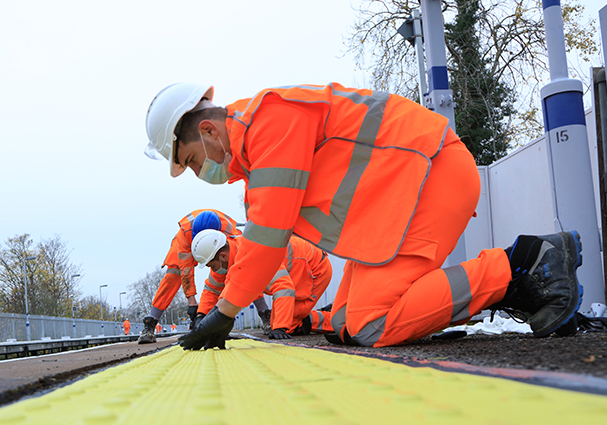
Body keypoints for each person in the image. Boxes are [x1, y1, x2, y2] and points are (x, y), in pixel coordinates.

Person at [144, 82, 583, 350]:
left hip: (429, 176)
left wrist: (223, 313)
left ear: (206, 131)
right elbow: (264, 229)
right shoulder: (257, 146)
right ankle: (518, 282)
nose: (200, 174)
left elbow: (267, 235)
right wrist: (220, 310)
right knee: (343, 324)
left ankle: (523, 266)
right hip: (402, 197)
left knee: (372, 323)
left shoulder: (268, 123)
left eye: (193, 162)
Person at [138, 209, 270, 344]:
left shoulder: (228, 231)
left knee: (243, 270)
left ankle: (265, 314)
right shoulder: (185, 235)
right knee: (173, 274)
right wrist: (192, 303)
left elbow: (244, 269)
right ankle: (151, 322)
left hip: (221, 240)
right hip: (186, 240)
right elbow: (186, 269)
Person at [192, 230, 334, 340]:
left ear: (222, 256)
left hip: (314, 268)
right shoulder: (229, 256)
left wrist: (280, 328)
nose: (213, 270)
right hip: (298, 270)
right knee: (282, 319)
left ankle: (335, 318)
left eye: (212, 266)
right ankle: (321, 313)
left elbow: (284, 287)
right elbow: (212, 289)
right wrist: (201, 316)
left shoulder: (255, 256)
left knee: (288, 324)